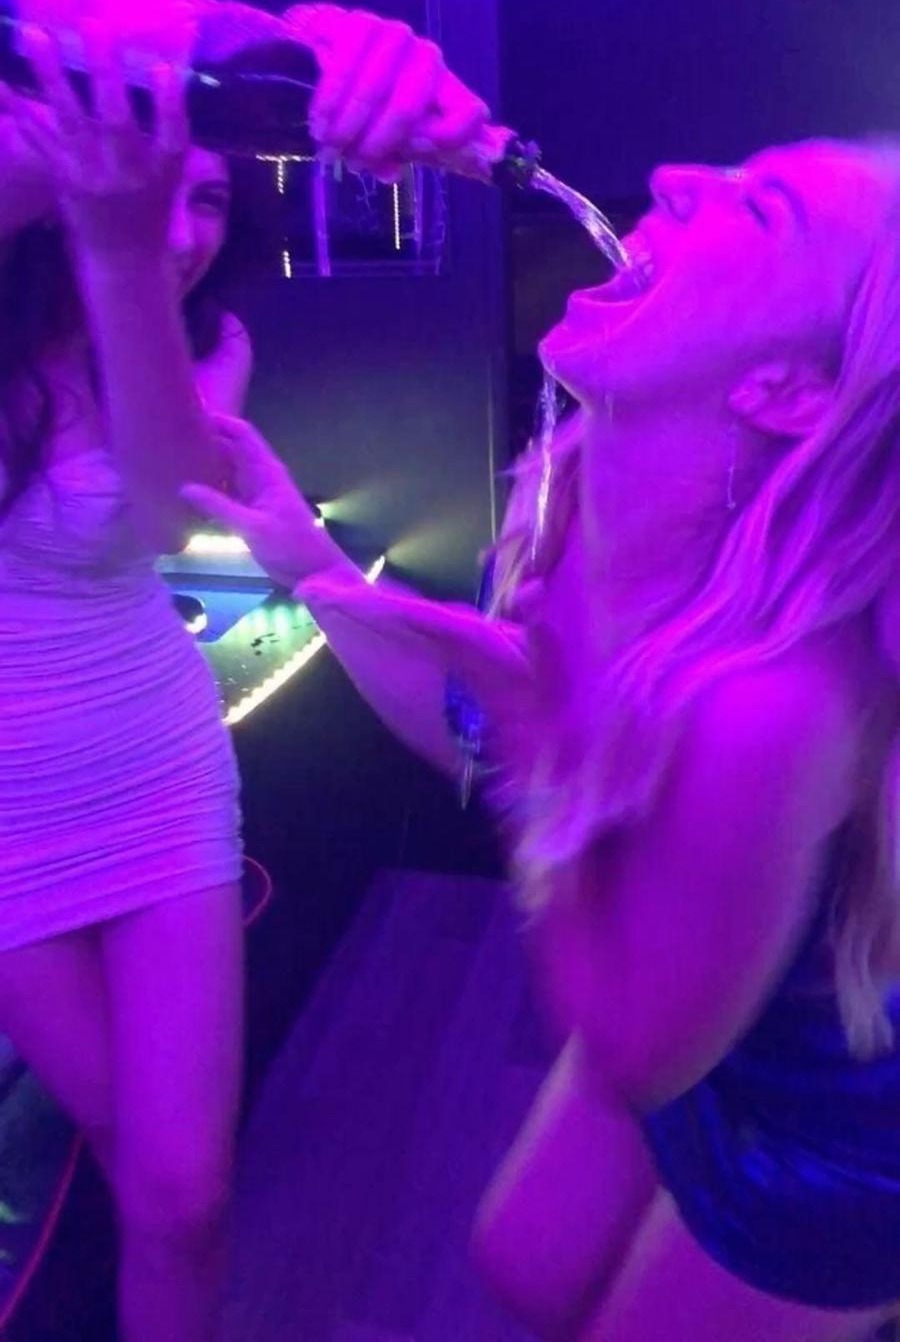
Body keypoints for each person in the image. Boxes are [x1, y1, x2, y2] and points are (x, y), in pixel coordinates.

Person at [187, 133, 900, 1341]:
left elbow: (629, 1047)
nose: (671, 176)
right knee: (521, 1265)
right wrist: (305, 561)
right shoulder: (567, 479)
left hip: (830, 1139)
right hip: (689, 1015)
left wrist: (540, 746)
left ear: (784, 388)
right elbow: (472, 733)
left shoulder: (773, 695)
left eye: (759, 211)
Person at [0, 0, 489, 1342]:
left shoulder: (204, 342)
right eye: (172, 191)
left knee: (187, 1193)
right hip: (7, 801)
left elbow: (174, 513)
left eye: (211, 198)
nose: (187, 228)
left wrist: (120, 257)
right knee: (129, 1149)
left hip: (155, 763)